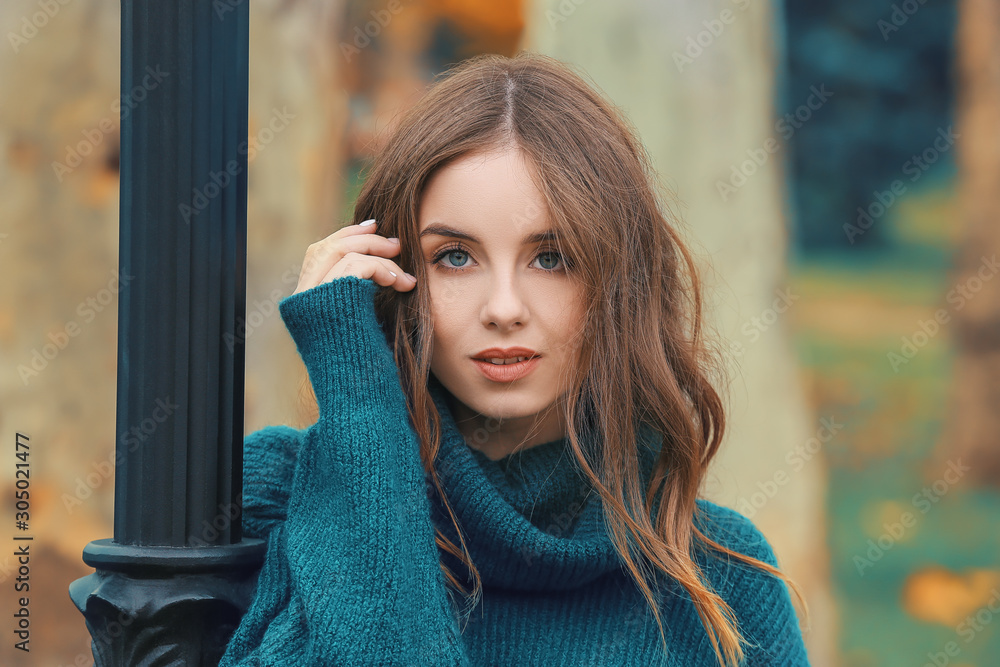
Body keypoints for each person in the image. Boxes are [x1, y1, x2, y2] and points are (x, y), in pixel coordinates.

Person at [220, 51, 812, 666]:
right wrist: (360, 405)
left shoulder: (721, 581)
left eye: (552, 257)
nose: (504, 308)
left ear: (620, 285)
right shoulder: (270, 505)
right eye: (454, 256)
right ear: (392, 273)